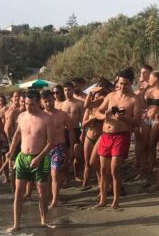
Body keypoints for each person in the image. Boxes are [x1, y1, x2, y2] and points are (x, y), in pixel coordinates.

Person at [6, 89, 56, 232]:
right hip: (22, 157)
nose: (29, 106)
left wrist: (39, 158)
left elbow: (51, 142)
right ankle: (16, 224)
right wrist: (11, 150)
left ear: (39, 102)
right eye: (27, 103)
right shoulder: (21, 116)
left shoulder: (46, 118)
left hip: (40, 157)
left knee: (42, 191)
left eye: (32, 104)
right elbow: (17, 135)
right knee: (18, 191)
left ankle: (44, 220)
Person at [94, 68, 139, 209]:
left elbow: (137, 121)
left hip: (121, 136)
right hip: (106, 135)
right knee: (103, 170)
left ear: (131, 83)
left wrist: (124, 117)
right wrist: (104, 116)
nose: (122, 86)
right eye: (120, 83)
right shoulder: (111, 96)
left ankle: (116, 200)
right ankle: (103, 199)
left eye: (125, 84)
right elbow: (97, 112)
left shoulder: (135, 99)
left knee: (115, 169)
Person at [41, 89, 75, 209]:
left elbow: (71, 130)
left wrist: (71, 148)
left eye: (50, 100)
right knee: (46, 176)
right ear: (41, 102)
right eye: (45, 101)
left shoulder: (61, 114)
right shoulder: (40, 116)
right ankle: (50, 196)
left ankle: (55, 200)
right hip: (44, 149)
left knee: (55, 174)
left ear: (53, 99)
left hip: (59, 147)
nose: (48, 103)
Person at [57, 81, 85, 183]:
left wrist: (83, 132)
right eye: (65, 90)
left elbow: (83, 119)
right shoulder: (60, 105)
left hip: (76, 130)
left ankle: (77, 174)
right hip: (64, 131)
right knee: (64, 155)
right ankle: (66, 177)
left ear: (73, 90)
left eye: (69, 89)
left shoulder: (79, 103)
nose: (67, 92)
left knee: (77, 153)